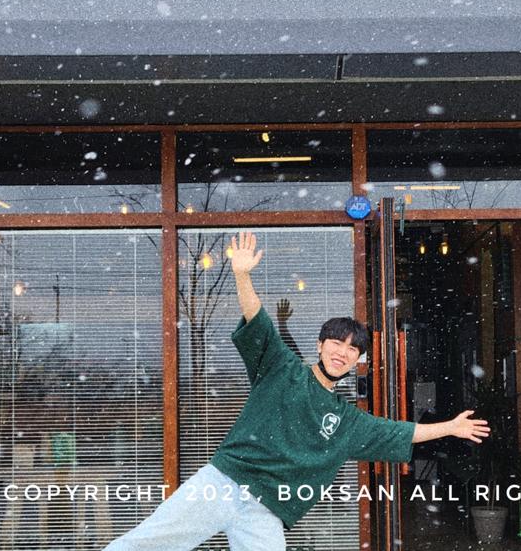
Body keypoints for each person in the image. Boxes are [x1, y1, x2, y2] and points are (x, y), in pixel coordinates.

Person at [103, 231, 490, 550]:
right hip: (222, 482)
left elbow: (398, 432)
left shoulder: (344, 419)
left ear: (358, 361)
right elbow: (258, 319)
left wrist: (450, 427)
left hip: (267, 508)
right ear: (320, 345)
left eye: (352, 350)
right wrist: (242, 275)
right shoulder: (281, 368)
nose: (342, 352)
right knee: (145, 544)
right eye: (336, 343)